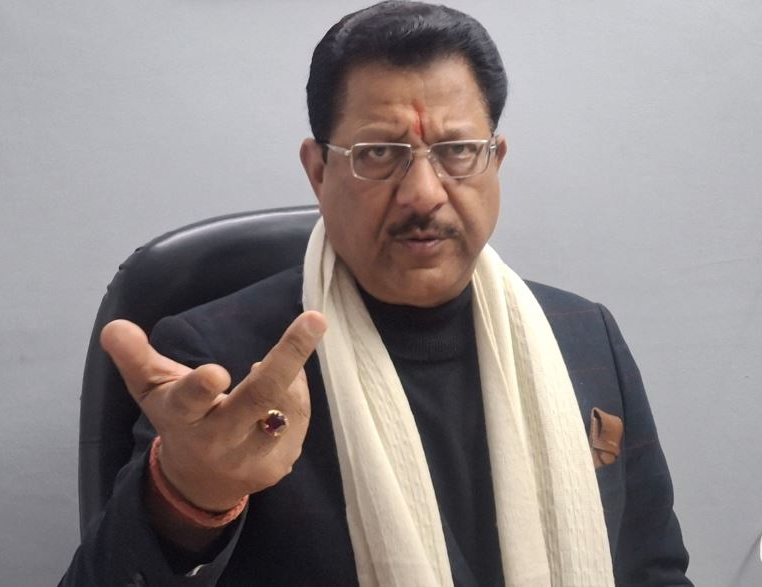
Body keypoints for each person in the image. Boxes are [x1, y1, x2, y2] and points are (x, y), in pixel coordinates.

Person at [61, 2, 692, 585]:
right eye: (380, 154)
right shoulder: (220, 363)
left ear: (496, 160)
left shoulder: (584, 337)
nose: (423, 193)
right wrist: (188, 497)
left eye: (457, 151)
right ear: (319, 171)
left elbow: (653, 571)